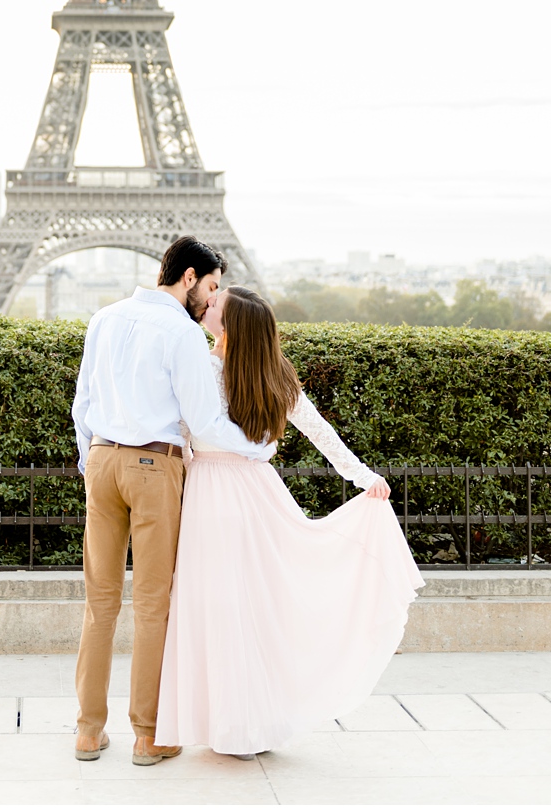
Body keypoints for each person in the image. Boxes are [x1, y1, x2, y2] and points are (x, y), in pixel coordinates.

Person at [155, 284, 423, 757]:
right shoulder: (274, 374)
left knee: (216, 608)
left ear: (229, 324)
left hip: (209, 496)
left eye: (215, 304)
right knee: (257, 609)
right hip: (259, 492)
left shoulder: (202, 365)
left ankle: (226, 722)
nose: (206, 304)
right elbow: (321, 432)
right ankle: (254, 721)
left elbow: (179, 433)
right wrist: (362, 476)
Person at [70, 235, 266, 766]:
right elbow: (204, 422)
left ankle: (88, 732)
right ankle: (147, 735)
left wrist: (93, 462)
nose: (212, 297)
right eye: (211, 286)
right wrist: (257, 448)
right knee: (153, 606)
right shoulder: (182, 333)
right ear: (189, 278)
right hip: (154, 467)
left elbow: (82, 403)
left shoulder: (104, 318)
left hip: (104, 462)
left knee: (100, 604)